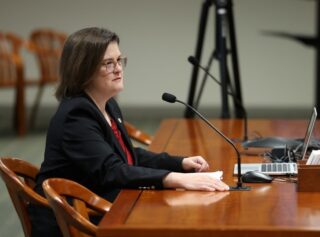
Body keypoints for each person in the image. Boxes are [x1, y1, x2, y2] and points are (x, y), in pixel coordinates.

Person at [29, 27, 229, 237]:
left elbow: (124, 154)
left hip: (97, 204)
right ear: (83, 69)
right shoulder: (76, 116)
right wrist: (175, 178)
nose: (118, 69)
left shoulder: (107, 105)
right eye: (108, 63)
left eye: (119, 60)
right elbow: (111, 170)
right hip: (73, 220)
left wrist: (179, 163)